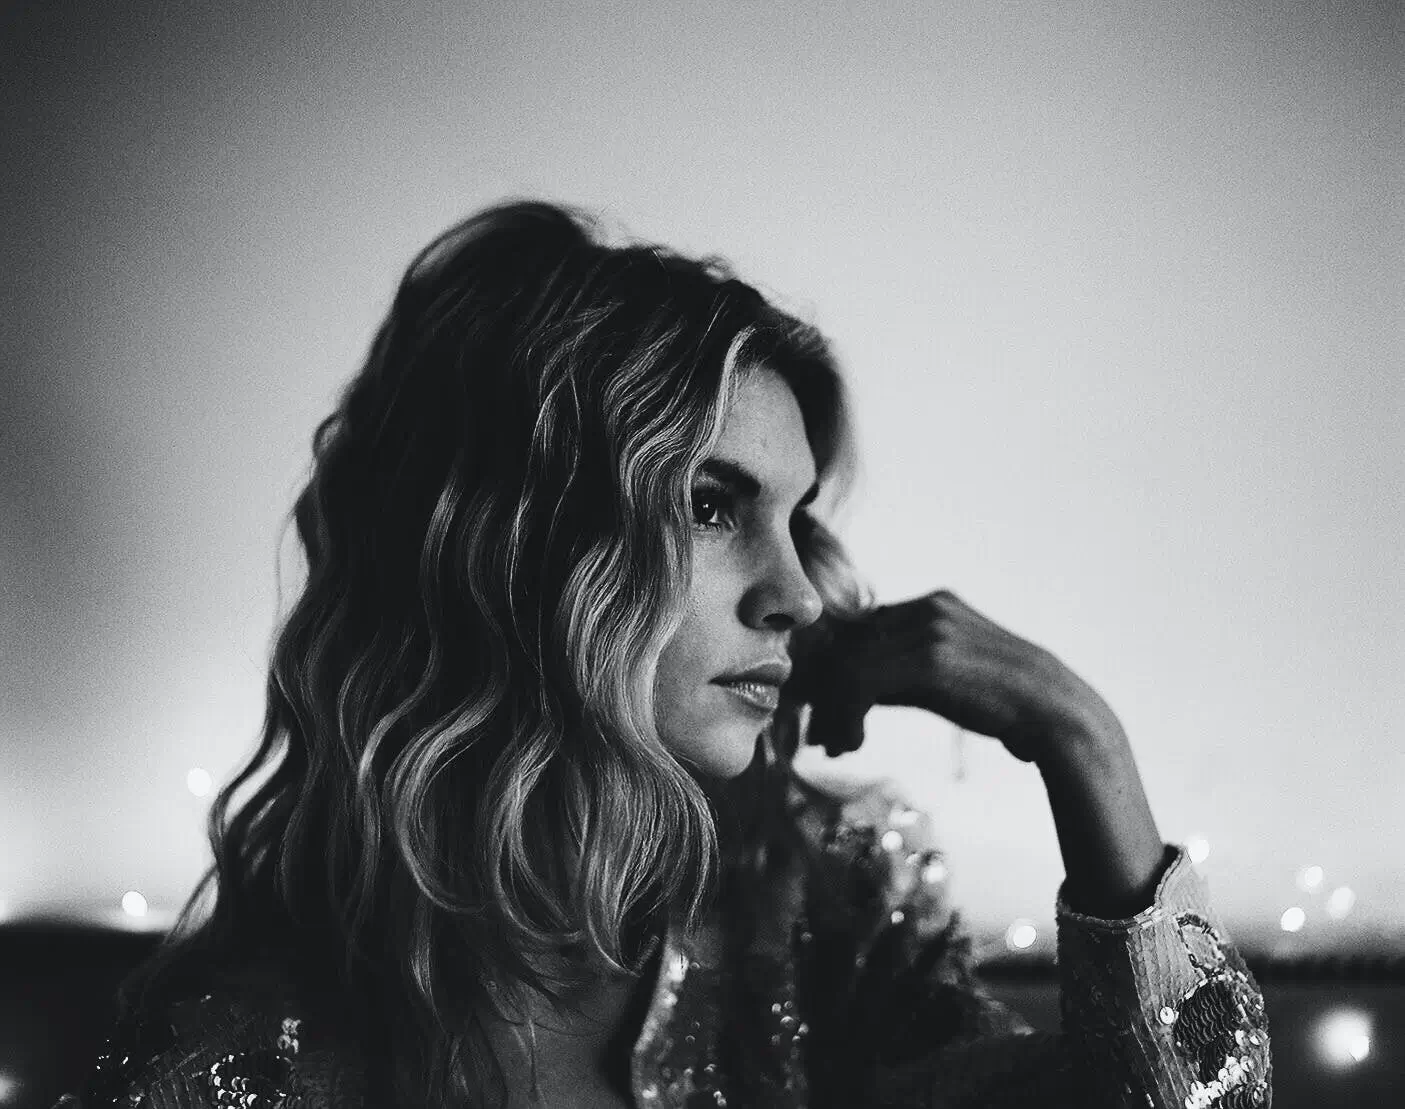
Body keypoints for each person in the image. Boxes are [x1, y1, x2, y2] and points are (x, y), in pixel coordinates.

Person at [60, 201, 1271, 1108]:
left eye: (794, 517)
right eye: (707, 503)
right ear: (515, 544)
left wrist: (1078, 736)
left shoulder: (810, 910)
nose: (797, 592)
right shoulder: (242, 1055)